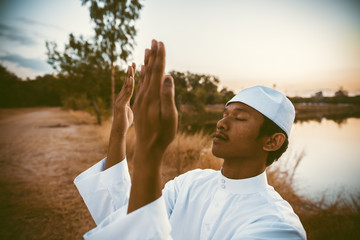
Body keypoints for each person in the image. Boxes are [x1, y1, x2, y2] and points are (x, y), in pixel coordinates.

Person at [74, 40, 306, 239]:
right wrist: (119, 131)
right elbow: (123, 219)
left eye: (240, 118)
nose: (221, 123)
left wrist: (150, 149)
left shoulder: (277, 226)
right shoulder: (190, 184)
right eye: (225, 114)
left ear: (272, 141)